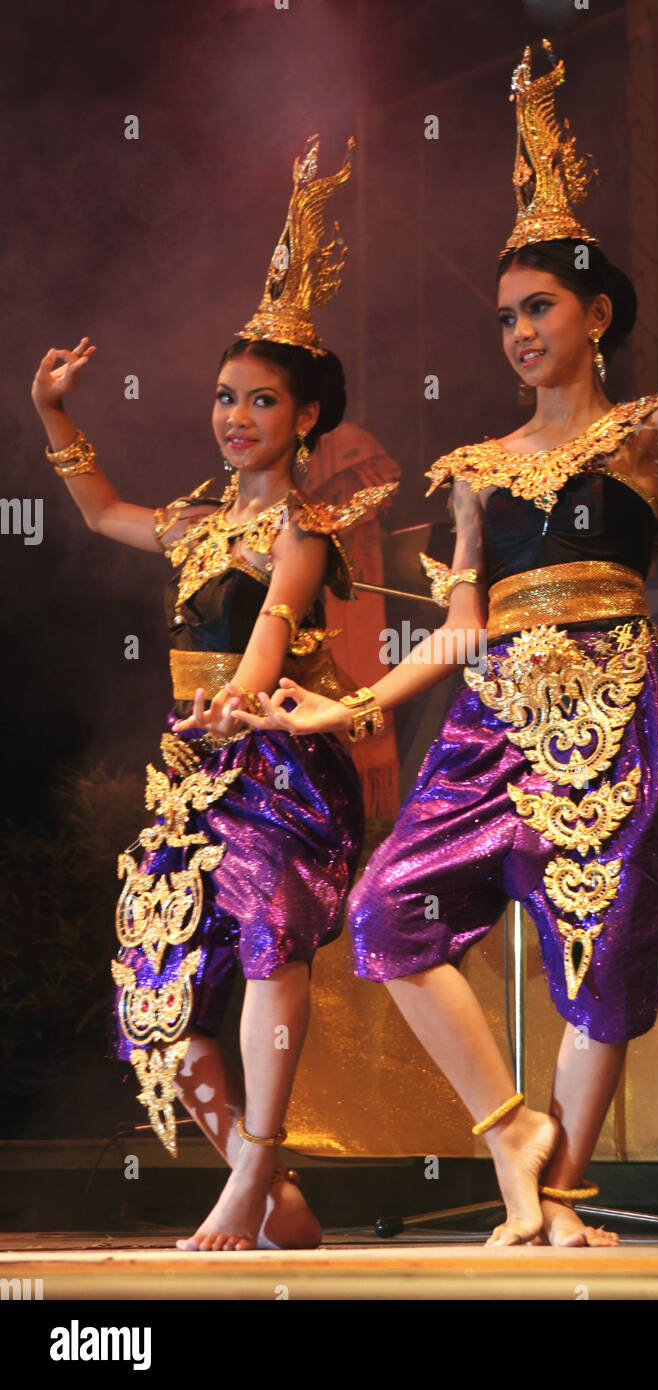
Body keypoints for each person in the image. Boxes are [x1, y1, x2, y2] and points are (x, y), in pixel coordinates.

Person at [237, 43, 658, 1246]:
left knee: (602, 945)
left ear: (593, 313)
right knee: (392, 909)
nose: (515, 331)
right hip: (494, 720)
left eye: (537, 307)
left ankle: (548, 1204)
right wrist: (342, 712)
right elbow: (457, 629)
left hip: (620, 706)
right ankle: (509, 1127)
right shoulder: (472, 474)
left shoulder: (643, 436)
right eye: (501, 316)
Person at [30, 135, 396, 1252]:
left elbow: (278, 627)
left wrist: (234, 700)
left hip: (279, 762)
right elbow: (98, 510)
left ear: (304, 422)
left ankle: (249, 1183)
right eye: (226, 396)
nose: (236, 416)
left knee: (268, 949)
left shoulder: (300, 528)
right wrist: (50, 410)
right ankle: (258, 1175)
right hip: (193, 771)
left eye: (262, 401)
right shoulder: (194, 522)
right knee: (157, 995)